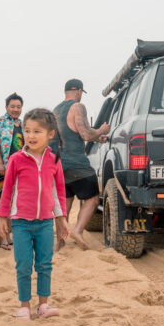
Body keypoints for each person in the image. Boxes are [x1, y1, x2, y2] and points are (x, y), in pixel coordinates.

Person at [0, 108, 70, 320]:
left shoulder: (54, 160)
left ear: (50, 134)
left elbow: (58, 192)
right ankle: (24, 306)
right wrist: (2, 216)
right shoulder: (16, 159)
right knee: (23, 265)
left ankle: (43, 306)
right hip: (21, 223)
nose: (31, 135)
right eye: (27, 130)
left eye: (37, 131)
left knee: (45, 264)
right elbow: (8, 190)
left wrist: (61, 219)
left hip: (45, 223)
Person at [53, 79, 110, 250]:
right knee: (92, 198)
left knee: (65, 203)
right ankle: (77, 231)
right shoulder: (78, 107)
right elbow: (85, 134)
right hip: (77, 163)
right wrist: (101, 130)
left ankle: (60, 242)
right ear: (79, 91)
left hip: (59, 165)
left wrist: (96, 137)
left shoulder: (56, 110)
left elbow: (71, 133)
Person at [0, 93, 24, 249]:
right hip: (4, 168)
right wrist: (0, 164)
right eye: (12, 106)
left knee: (17, 202)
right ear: (6, 107)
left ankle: (12, 236)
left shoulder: (23, 125)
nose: (15, 109)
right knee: (5, 201)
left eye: (18, 107)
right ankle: (3, 238)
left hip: (21, 168)